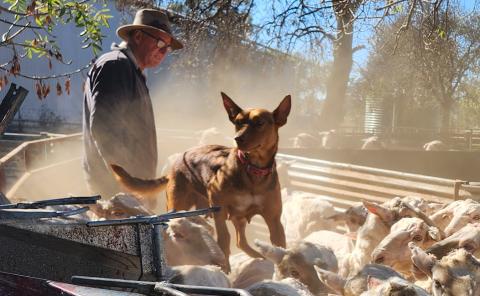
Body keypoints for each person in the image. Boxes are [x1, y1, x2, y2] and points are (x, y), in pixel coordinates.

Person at [82, 9, 183, 200]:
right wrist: (129, 185)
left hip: (129, 190)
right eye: (161, 43)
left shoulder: (131, 70)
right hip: (117, 192)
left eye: (167, 48)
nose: (164, 52)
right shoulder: (116, 66)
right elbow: (105, 128)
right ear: (138, 36)